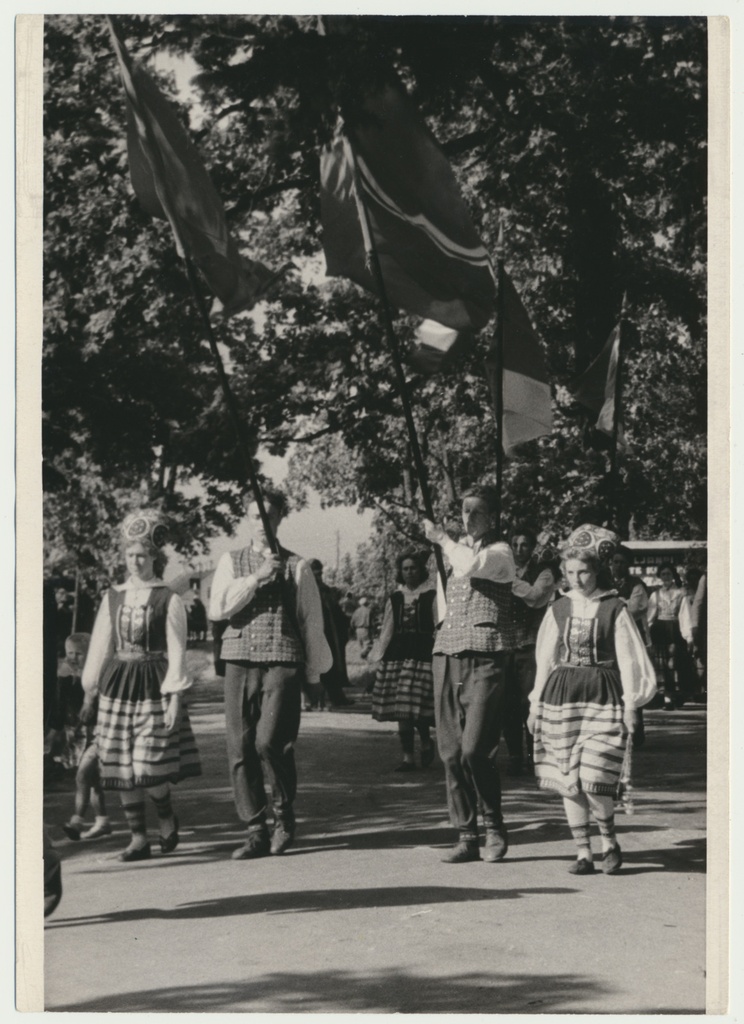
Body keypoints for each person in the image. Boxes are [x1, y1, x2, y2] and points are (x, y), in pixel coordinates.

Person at [209, 487, 332, 860]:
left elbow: (312, 623)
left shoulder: (298, 566)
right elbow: (217, 608)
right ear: (246, 519)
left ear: (279, 518)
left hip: (282, 657)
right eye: (254, 516)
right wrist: (256, 578)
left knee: (269, 742)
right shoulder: (231, 562)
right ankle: (255, 829)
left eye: (270, 516)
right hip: (239, 658)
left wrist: (314, 677)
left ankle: (283, 816)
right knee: (239, 746)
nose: (262, 524)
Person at [527, 525, 656, 875]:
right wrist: (535, 704)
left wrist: (632, 705)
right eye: (569, 573)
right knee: (568, 777)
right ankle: (583, 852)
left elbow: (629, 658)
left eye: (583, 571)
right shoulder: (559, 608)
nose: (577, 578)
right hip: (563, 697)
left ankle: (609, 842)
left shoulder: (614, 607)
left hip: (603, 695)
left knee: (596, 776)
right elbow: (545, 659)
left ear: (596, 569)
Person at [81, 510, 201, 862]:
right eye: (130, 556)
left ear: (155, 558)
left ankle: (165, 815)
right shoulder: (113, 597)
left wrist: (176, 695)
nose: (135, 562)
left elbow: (177, 648)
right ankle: (137, 838)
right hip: (117, 683)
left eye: (142, 556)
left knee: (148, 767)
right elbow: (101, 644)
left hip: (153, 684)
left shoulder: (168, 598)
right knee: (118, 765)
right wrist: (90, 688)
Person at [423, 484, 517, 864]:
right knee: (449, 752)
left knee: (476, 748)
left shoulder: (501, 553)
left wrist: (441, 537)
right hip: (448, 653)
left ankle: (494, 824)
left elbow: (472, 566)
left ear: (492, 517)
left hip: (485, 655)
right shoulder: (454, 552)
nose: (468, 519)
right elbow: (445, 601)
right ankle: (467, 833)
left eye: (476, 512)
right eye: (463, 511)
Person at [369, 549, 437, 771]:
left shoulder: (432, 595)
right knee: (402, 706)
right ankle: (408, 756)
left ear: (421, 570)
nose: (409, 572)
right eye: (405, 569)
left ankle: (426, 742)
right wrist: (378, 656)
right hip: (398, 654)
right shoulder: (395, 598)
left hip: (423, 652)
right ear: (401, 572)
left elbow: (438, 625)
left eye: (413, 568)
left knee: (417, 705)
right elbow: (387, 629)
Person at [503, 527, 559, 775]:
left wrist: (508, 581)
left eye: (524, 545)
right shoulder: (504, 570)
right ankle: (515, 756)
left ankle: (532, 754)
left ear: (532, 547)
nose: (518, 550)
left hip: (531, 644)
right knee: (507, 704)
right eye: (514, 545)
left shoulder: (544, 573)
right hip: (505, 645)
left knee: (530, 702)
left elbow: (535, 597)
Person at [61, 633, 112, 841]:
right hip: (82, 736)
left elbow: (92, 709)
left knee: (82, 776)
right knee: (94, 782)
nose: (73, 658)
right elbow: (65, 706)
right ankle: (102, 822)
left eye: (79, 654)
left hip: (100, 734)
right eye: (69, 653)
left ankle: (77, 821)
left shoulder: (94, 678)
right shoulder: (66, 677)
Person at [610, 546, 652, 743]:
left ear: (628, 564)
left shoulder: (637, 585)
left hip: (633, 638)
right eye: (615, 561)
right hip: (610, 639)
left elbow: (634, 608)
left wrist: (615, 604)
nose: (618, 565)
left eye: (622, 562)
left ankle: (637, 730)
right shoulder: (604, 582)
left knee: (632, 679)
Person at [309, 559, 354, 708]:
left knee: (332, 666)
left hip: (330, 634)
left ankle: (337, 697)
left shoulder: (326, 590)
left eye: (320, 573)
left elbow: (336, 612)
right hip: (314, 634)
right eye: (314, 574)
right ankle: (314, 700)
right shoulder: (306, 591)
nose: (318, 577)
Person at [647, 563, 687, 709]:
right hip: (660, 631)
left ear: (673, 575)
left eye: (668, 574)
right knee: (661, 664)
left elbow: (684, 615)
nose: (666, 577)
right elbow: (650, 617)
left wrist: (688, 635)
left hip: (675, 630)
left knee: (674, 663)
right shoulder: (655, 595)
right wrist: (647, 634)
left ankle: (677, 695)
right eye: (663, 574)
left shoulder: (681, 593)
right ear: (660, 576)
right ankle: (667, 699)